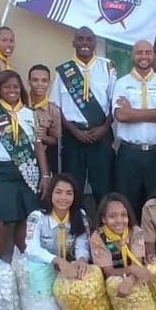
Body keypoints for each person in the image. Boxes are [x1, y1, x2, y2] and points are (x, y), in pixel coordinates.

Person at [0, 70, 50, 257]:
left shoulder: (30, 113)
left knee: (25, 221)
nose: (11, 90)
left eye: (15, 86)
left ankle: (23, 266)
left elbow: (38, 146)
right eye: (6, 86)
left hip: (27, 171)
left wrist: (45, 175)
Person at [50, 26, 116, 201]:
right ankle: (75, 225)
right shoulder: (63, 71)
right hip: (73, 137)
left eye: (88, 39)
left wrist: (103, 128)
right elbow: (57, 108)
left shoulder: (107, 68)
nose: (84, 43)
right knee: (73, 186)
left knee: (103, 187)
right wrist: (74, 131)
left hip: (101, 135)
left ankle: (103, 226)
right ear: (73, 43)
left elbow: (115, 105)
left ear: (95, 43)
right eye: (80, 39)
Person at [112, 40, 156, 218]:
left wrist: (132, 112)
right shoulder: (122, 83)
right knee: (127, 202)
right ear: (133, 55)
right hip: (129, 154)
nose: (144, 56)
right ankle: (129, 242)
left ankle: (152, 244)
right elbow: (121, 116)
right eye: (139, 52)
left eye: (148, 52)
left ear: (153, 55)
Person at [25, 173, 90, 279]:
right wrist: (57, 260)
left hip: (70, 266)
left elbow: (82, 245)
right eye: (58, 192)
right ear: (50, 194)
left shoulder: (80, 216)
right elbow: (32, 248)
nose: (63, 198)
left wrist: (82, 259)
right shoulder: (37, 217)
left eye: (69, 193)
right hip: (43, 267)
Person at [89, 193, 151, 297]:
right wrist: (131, 270)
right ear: (103, 219)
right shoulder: (98, 238)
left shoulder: (135, 232)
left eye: (123, 215)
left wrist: (130, 280)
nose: (119, 221)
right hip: (112, 280)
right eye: (112, 216)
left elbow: (138, 266)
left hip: (135, 277)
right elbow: (108, 272)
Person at [28, 64, 62, 175]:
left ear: (49, 83)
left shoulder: (53, 110)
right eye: (35, 80)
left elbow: (57, 141)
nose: (40, 84)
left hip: (43, 158)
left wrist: (44, 138)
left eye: (44, 80)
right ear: (28, 82)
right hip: (20, 156)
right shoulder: (19, 104)